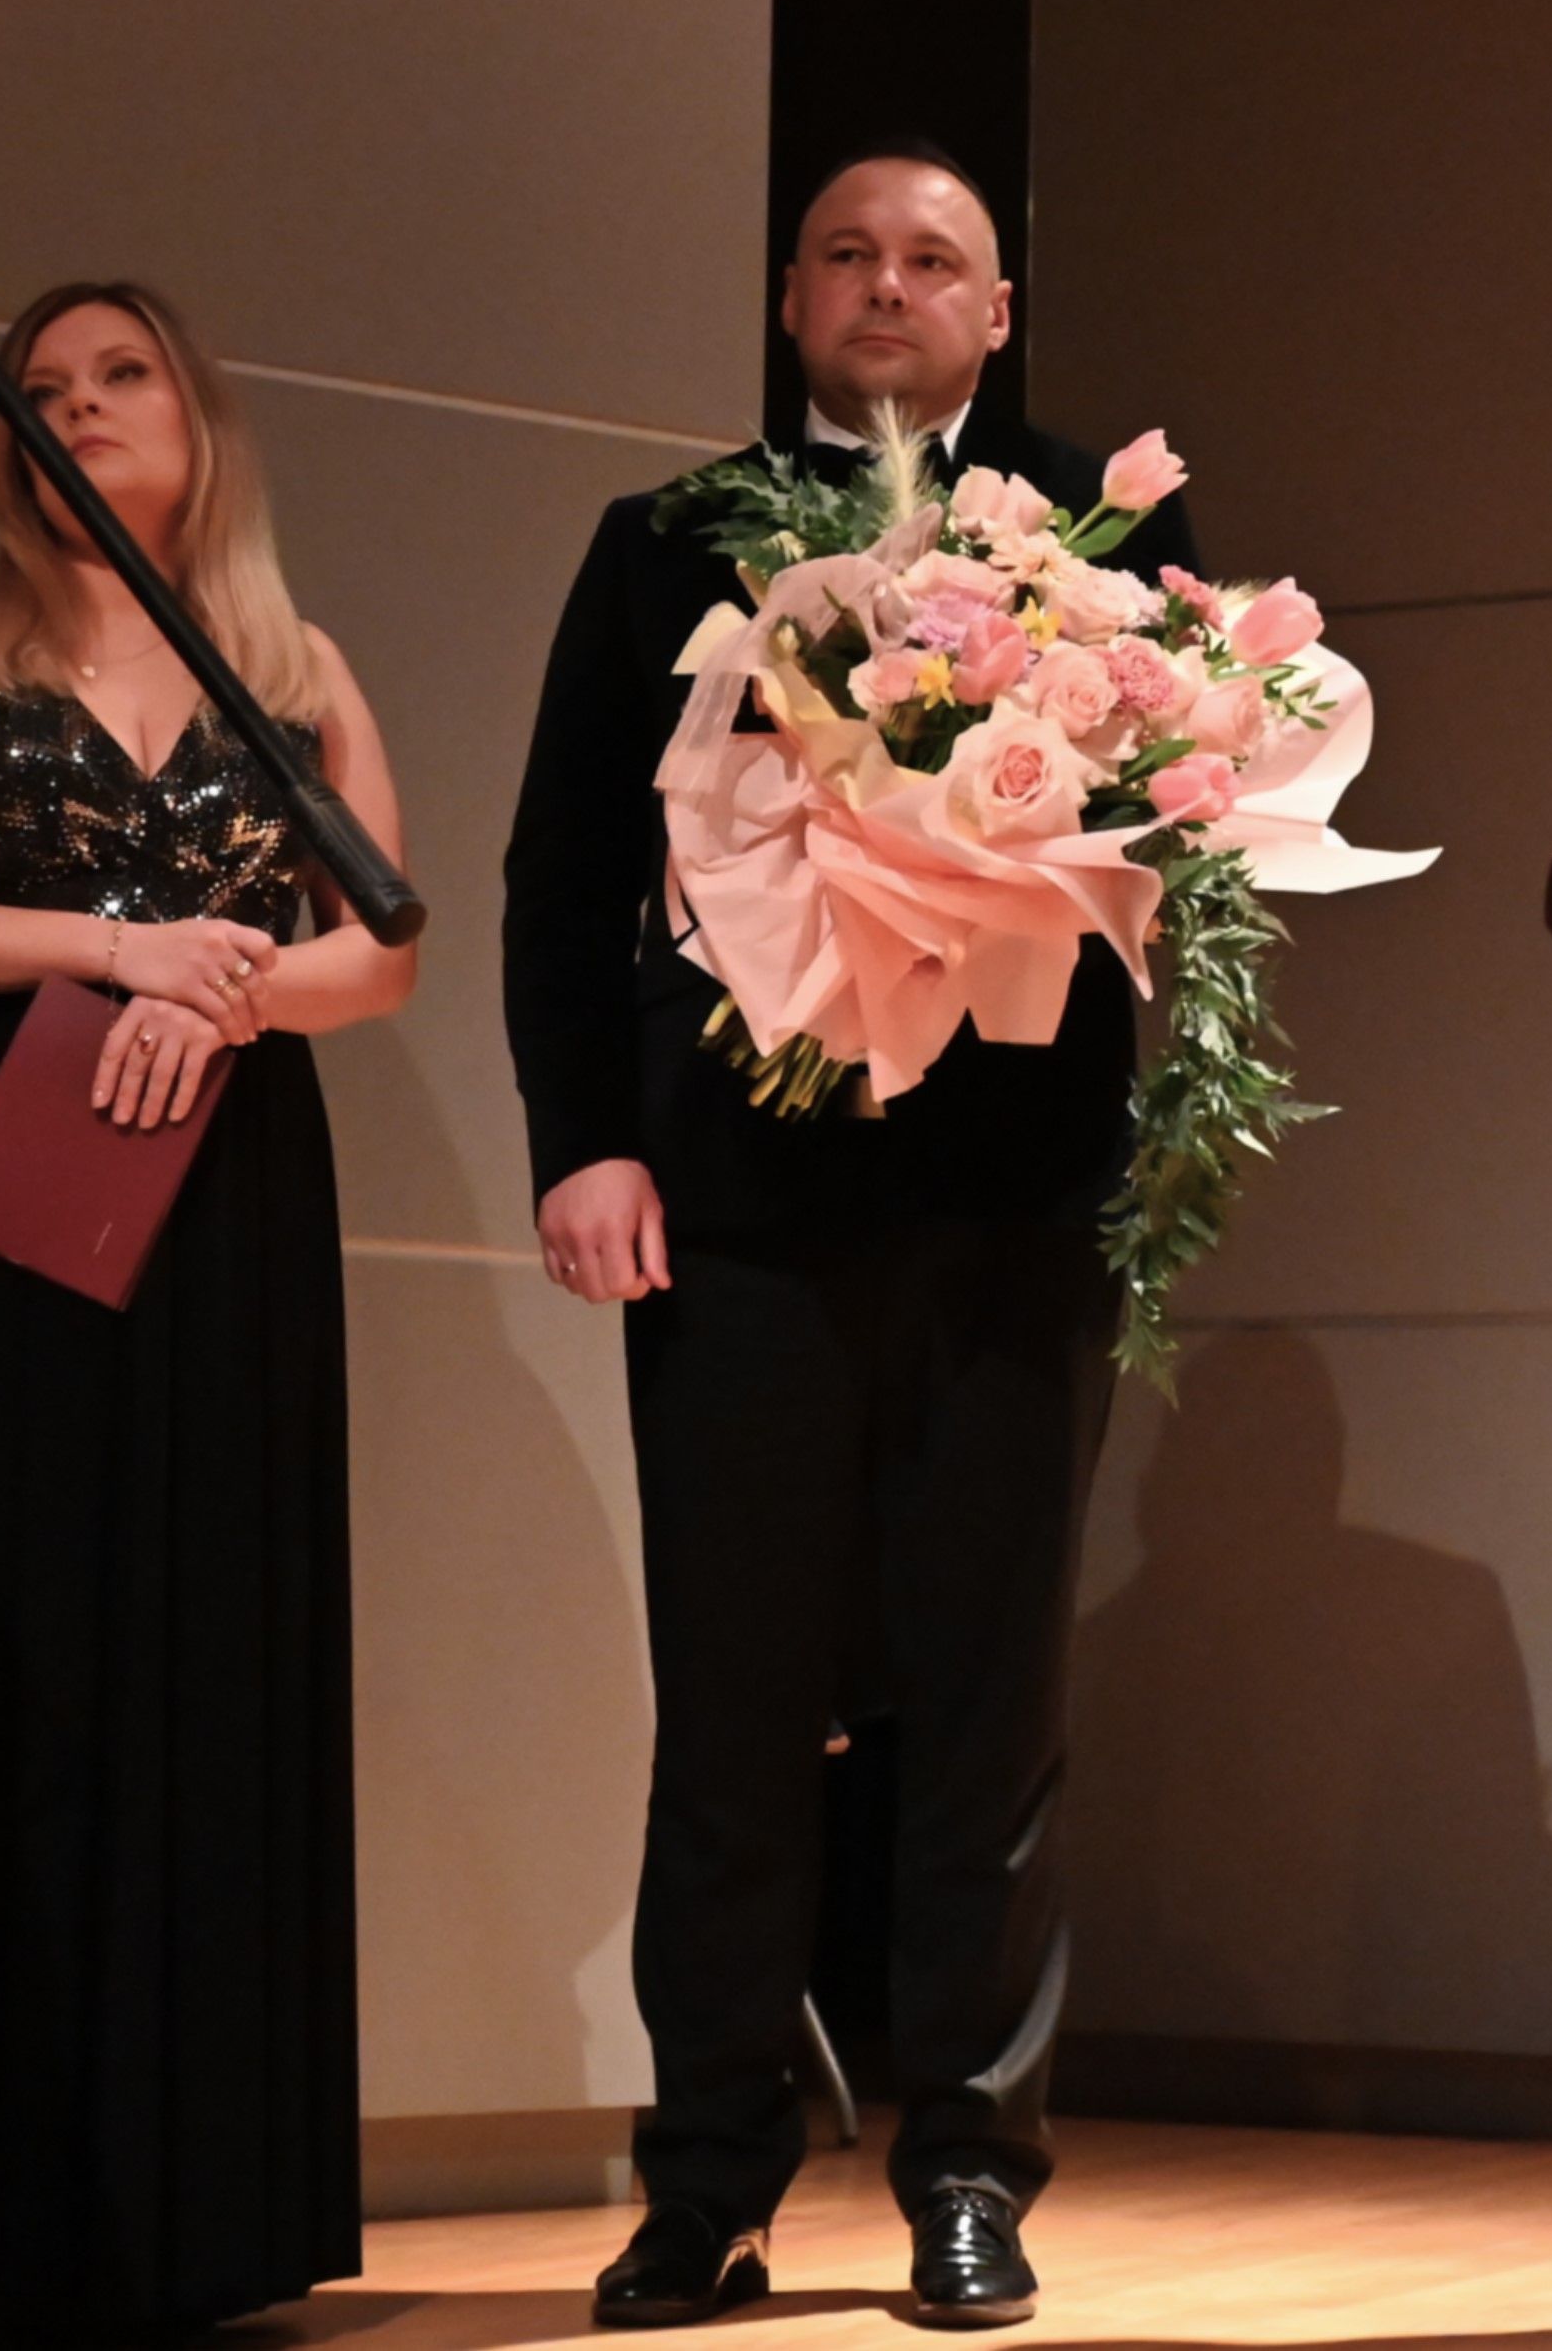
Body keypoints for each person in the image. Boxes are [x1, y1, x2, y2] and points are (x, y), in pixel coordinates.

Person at [503, 149, 1196, 2331]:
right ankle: (705, 2178)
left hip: (1015, 1200)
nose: (886, 287)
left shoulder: (1105, 545)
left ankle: (971, 2171)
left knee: (991, 1716)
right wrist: (583, 1146)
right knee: (730, 1711)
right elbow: (558, 880)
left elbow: (1194, 859)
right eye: (847, 257)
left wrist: (1162, 1146)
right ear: (792, 296)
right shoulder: (660, 543)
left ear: (998, 310)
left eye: (931, 262)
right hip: (738, 1210)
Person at [0, 280, 412, 2337]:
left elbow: (384, 953)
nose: (75, 406)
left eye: (120, 374)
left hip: (226, 1192)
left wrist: (223, 996)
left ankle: (201, 2213)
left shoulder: (294, 664)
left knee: (206, 1645)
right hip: (4, 1169)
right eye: (42, 385)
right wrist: (117, 946)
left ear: (198, 415)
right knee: (0, 1646)